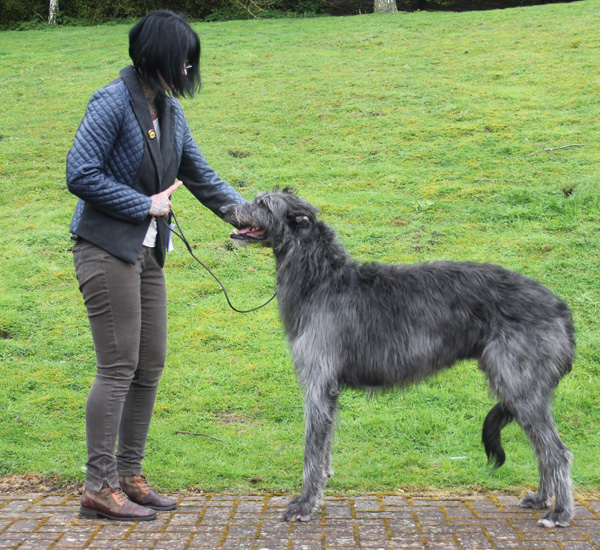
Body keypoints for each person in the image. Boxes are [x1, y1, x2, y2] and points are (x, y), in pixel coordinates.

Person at [66, 10, 246, 521]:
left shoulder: (169, 113)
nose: (189, 68)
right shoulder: (110, 102)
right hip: (105, 249)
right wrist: (144, 203)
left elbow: (203, 177)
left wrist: (256, 219)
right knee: (118, 365)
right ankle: (98, 485)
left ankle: (128, 474)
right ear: (155, 56)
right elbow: (79, 173)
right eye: (183, 58)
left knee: (150, 363)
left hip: (146, 253)